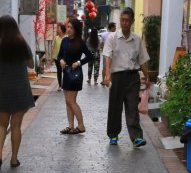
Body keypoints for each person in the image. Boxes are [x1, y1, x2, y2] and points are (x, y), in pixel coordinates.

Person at [0, 15, 35, 169]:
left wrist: (4, 72)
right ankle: (14, 159)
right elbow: (31, 65)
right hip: (21, 89)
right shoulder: (22, 44)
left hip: (4, 89)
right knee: (16, 126)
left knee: (1, 124)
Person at [101, 8, 149, 147]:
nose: (124, 23)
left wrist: (147, 77)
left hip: (132, 77)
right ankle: (113, 135)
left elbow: (142, 60)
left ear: (132, 21)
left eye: (127, 20)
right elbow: (108, 56)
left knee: (133, 107)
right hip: (117, 77)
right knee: (115, 107)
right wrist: (108, 75)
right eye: (122, 20)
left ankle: (136, 138)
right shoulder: (112, 38)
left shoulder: (137, 39)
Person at [55, 18, 96, 134]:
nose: (68, 29)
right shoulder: (65, 41)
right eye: (68, 27)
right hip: (66, 74)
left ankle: (81, 125)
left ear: (76, 29)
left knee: (71, 101)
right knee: (67, 101)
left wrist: (78, 63)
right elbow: (59, 56)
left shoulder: (80, 42)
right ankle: (71, 126)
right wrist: (61, 60)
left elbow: (90, 56)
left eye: (71, 28)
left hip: (75, 75)